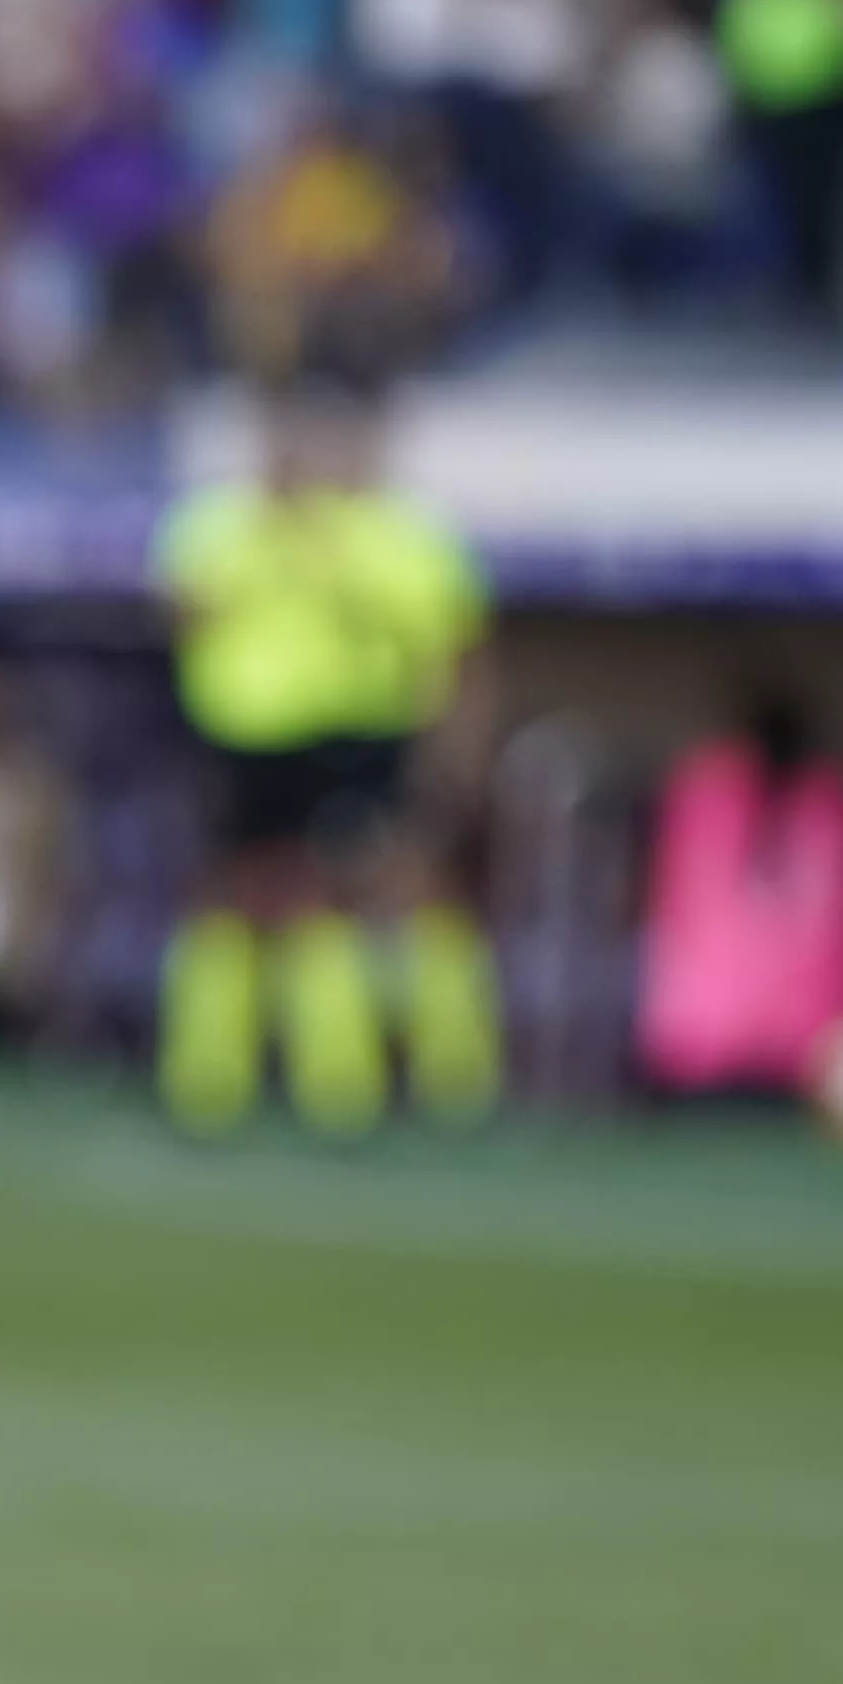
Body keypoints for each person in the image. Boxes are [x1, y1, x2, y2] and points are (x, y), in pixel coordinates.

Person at [150, 371, 498, 1134]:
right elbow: (179, 616)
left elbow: (457, 654)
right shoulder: (220, 527)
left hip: (356, 737)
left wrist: (454, 754)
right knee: (239, 895)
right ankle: (211, 1079)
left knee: (379, 890)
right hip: (238, 738)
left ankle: (417, 1080)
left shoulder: (400, 538)